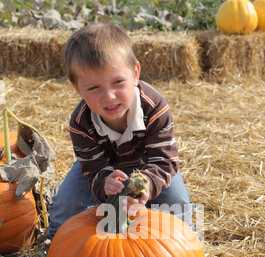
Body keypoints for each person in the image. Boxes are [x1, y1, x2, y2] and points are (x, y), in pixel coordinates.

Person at [48, 22, 194, 240]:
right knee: (66, 203)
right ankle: (55, 248)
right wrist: (104, 182)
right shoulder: (81, 122)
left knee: (177, 202)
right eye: (94, 88)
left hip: (150, 164)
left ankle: (186, 248)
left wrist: (146, 184)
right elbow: (92, 167)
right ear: (77, 88)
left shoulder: (154, 108)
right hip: (101, 166)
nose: (109, 96)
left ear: (135, 73)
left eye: (117, 82)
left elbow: (164, 161)